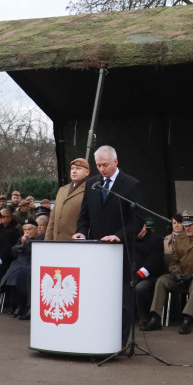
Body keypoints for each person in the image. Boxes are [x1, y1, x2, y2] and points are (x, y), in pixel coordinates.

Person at [72, 144, 143, 342]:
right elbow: (84, 215)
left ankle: (119, 341)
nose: (102, 169)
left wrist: (119, 235)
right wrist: (80, 232)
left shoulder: (130, 184)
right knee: (96, 297)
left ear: (115, 162)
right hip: (96, 251)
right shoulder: (92, 184)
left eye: (105, 165)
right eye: (98, 165)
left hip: (121, 250)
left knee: (121, 300)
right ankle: (96, 337)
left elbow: (137, 221)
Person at [142, 210, 193, 334]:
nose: (187, 228)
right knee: (162, 280)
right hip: (182, 274)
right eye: (185, 225)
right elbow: (175, 260)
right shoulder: (180, 238)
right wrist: (176, 272)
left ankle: (187, 319)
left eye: (190, 225)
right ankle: (155, 317)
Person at [3, 217, 43, 320]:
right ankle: (15, 304)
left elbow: (34, 252)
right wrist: (21, 243)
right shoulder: (21, 238)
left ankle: (23, 305)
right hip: (19, 262)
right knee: (10, 274)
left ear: (35, 229)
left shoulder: (41, 237)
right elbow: (13, 251)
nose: (27, 232)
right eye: (25, 230)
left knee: (21, 275)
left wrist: (27, 243)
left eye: (29, 229)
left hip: (31, 262)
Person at [131, 219, 166, 322]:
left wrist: (137, 276)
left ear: (144, 227)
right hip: (132, 274)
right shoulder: (130, 240)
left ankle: (144, 317)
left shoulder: (156, 240)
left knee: (140, 288)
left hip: (150, 276)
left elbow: (153, 263)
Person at [46, 158, 89, 241]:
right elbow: (53, 219)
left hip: (75, 244)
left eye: (78, 169)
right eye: (72, 168)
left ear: (87, 172)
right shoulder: (62, 190)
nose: (74, 171)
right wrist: (47, 241)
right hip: (57, 243)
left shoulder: (90, 190)